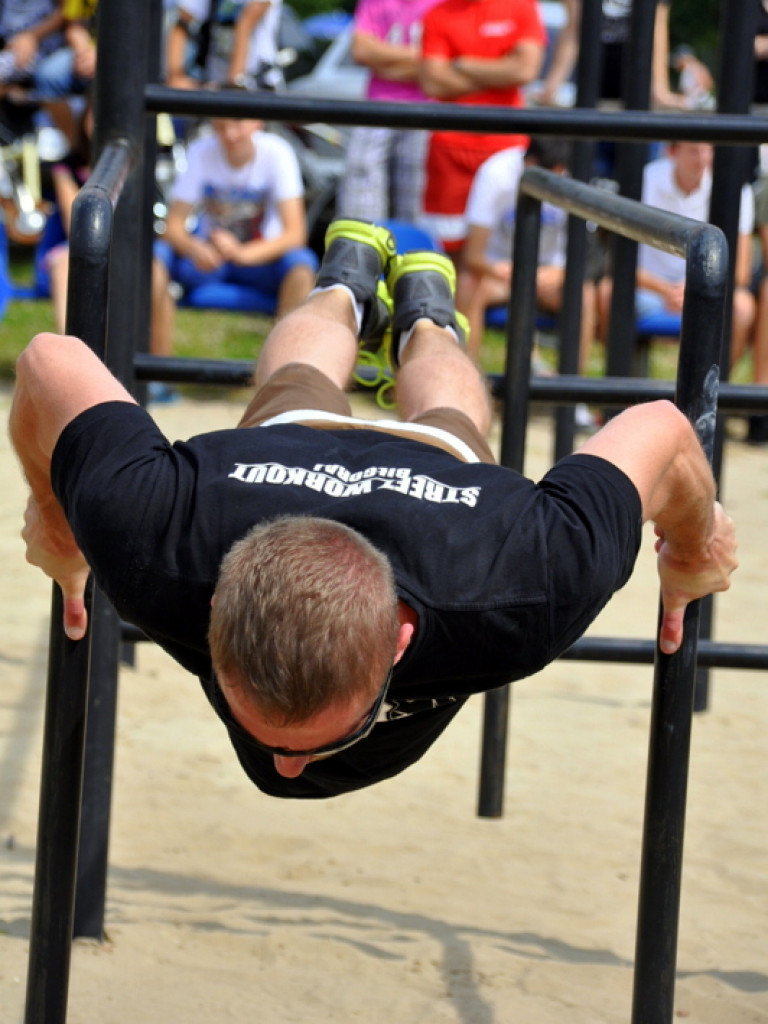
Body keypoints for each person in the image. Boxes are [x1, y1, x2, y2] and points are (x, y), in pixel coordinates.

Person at [10, 218, 737, 800]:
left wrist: (696, 547)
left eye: (325, 737)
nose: (289, 767)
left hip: (429, 508)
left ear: (400, 639)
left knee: (405, 414)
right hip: (280, 474)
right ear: (213, 612)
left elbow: (662, 435)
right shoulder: (155, 545)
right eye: (262, 730)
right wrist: (61, 517)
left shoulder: (514, 586)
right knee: (364, 403)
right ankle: (364, 291)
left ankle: (410, 310)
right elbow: (47, 359)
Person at [596, 142, 759, 401]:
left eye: (709, 150)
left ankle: (709, 400)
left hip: (702, 290)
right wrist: (666, 289)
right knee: (608, 292)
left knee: (743, 307)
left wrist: (694, 289)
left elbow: (741, 273)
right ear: (671, 152)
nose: (703, 158)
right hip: (650, 288)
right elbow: (619, 262)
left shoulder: (735, 189)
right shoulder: (645, 179)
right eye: (694, 150)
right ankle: (619, 397)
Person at [44, 95, 176, 401]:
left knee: (155, 271)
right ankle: (72, 368)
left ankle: (158, 372)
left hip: (125, 245)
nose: (99, 125)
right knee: (66, 265)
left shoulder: (140, 163)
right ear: (84, 121)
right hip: (76, 247)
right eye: (94, 117)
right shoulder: (67, 167)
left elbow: (144, 220)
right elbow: (74, 225)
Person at [155, 109, 318, 323]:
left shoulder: (277, 152)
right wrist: (197, 249)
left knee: (301, 264)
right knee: (156, 257)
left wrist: (243, 253)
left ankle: (289, 346)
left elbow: (296, 234)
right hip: (210, 260)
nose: (230, 134)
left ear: (257, 123)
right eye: (221, 126)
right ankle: (148, 349)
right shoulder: (200, 150)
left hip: (261, 260)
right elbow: (172, 228)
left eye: (238, 124)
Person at [417, 0, 546, 255]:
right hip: (449, 150)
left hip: (505, 150)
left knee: (506, 249)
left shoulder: (520, 5)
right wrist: (500, 74)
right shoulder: (437, 14)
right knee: (446, 250)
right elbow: (432, 82)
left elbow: (525, 70)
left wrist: (462, 64)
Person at [456, 136, 595, 371]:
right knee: (469, 283)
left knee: (584, 293)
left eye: (558, 176)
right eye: (547, 176)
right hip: (501, 274)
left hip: (550, 277)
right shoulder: (495, 174)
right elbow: (473, 255)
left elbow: (591, 254)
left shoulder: (574, 176)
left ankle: (571, 392)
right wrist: (500, 270)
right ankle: (466, 376)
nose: (554, 183)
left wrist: (561, 273)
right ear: (528, 162)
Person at [336, 0, 442, 224]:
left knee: (415, 210)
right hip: (377, 109)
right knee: (360, 211)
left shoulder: (445, 4)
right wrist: (424, 59)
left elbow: (444, 65)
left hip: (426, 111)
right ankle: (366, 257)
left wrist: (383, 62)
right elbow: (361, 50)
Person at [531, 0, 690, 111]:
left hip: (637, 83)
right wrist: (552, 86)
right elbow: (574, 29)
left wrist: (660, 90)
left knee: (636, 150)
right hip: (591, 83)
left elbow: (657, 30)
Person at [165, 0, 284, 91]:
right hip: (215, 85)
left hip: (255, 85)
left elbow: (245, 26)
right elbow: (182, 24)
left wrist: (233, 86)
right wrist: (176, 76)